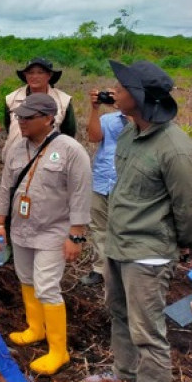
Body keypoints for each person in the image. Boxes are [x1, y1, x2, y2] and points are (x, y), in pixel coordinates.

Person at [84, 61, 192, 382]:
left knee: (148, 334)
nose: (114, 91)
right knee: (119, 314)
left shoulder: (175, 148)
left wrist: (185, 246)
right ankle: (124, 376)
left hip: (147, 256)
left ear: (139, 96)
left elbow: (190, 207)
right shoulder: (130, 133)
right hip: (118, 245)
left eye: (122, 87)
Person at [0, 93, 91, 376]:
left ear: (49, 118)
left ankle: (59, 350)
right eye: (19, 117)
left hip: (54, 230)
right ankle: (35, 328)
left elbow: (81, 195)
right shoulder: (16, 149)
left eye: (28, 117)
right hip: (21, 229)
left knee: (47, 285)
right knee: (26, 278)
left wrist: (76, 235)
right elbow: (4, 188)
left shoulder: (70, 150)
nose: (21, 122)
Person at [80, 89, 129, 286]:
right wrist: (94, 109)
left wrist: (127, 110)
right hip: (102, 180)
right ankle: (100, 269)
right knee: (99, 227)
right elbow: (93, 137)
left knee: (125, 228)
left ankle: (123, 271)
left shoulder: (143, 121)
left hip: (126, 183)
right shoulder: (109, 119)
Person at [1, 58, 76, 162]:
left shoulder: (63, 101)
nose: (34, 76)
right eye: (30, 73)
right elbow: (9, 127)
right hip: (16, 157)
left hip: (49, 159)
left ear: (49, 75)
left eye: (40, 72)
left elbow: (69, 133)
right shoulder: (12, 98)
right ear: (25, 75)